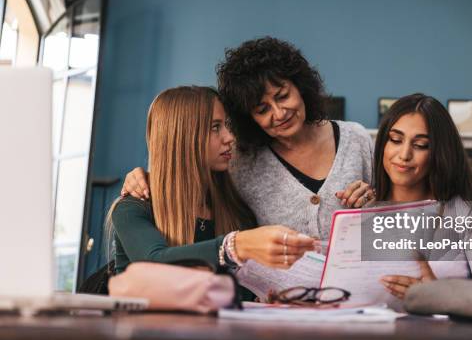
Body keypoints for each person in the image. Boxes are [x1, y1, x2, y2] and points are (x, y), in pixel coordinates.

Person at [122, 37, 374, 240]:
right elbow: (184, 174)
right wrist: (143, 177)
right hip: (277, 301)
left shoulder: (357, 139)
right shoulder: (239, 161)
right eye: (262, 110)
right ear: (248, 118)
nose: (279, 113)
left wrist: (375, 204)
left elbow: (396, 226)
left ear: (300, 87)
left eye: (283, 95)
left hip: (360, 297)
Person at [109, 86, 315, 276]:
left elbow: (241, 288)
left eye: (226, 125)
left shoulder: (234, 210)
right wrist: (235, 246)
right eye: (216, 127)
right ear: (182, 137)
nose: (229, 137)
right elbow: (154, 262)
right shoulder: (132, 209)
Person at [373, 94, 472, 299]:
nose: (404, 154)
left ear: (438, 152)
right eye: (395, 140)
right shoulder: (361, 208)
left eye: (420, 145)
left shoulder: (462, 212)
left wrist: (438, 296)